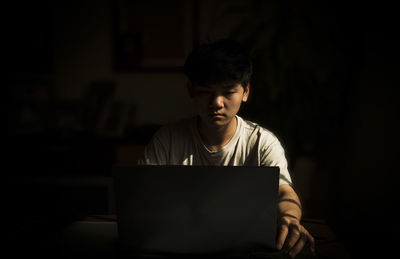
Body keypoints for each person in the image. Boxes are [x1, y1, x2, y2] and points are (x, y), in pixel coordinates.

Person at [137, 39, 315, 258]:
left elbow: (284, 191)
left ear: (245, 91)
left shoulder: (262, 142)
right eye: (205, 92)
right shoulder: (168, 139)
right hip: (179, 247)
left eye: (229, 92)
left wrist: (290, 218)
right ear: (191, 91)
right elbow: (143, 195)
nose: (217, 103)